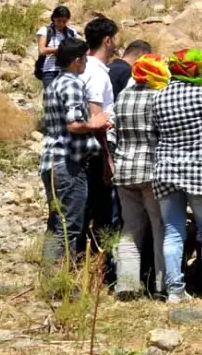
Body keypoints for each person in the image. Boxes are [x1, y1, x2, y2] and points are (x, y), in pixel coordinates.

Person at [153, 48, 202, 303]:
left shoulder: (159, 96)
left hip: (166, 169)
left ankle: (175, 290)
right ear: (194, 68)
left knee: (173, 231)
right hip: (199, 168)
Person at [39, 38, 111, 267]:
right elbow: (74, 124)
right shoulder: (72, 84)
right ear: (77, 60)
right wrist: (95, 123)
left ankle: (50, 276)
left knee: (55, 222)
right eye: (84, 60)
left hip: (51, 161)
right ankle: (62, 280)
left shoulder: (54, 84)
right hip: (68, 162)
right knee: (69, 224)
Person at [112, 53, 168, 298]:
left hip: (124, 169)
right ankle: (161, 285)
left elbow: (114, 133)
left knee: (131, 228)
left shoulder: (122, 96)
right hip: (152, 169)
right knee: (160, 227)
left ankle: (126, 284)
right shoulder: (158, 97)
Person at [80, 17, 119, 262]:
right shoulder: (97, 73)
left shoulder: (85, 68)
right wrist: (107, 159)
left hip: (88, 148)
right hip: (97, 149)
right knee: (101, 209)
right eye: (114, 40)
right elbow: (97, 118)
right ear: (107, 40)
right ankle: (97, 265)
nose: (116, 45)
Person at [36, 5, 80, 91]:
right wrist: (61, 49)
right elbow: (41, 50)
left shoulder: (71, 32)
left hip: (67, 71)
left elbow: (76, 49)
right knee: (51, 99)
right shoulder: (45, 30)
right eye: (58, 21)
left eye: (64, 21)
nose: (61, 24)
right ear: (53, 18)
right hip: (50, 71)